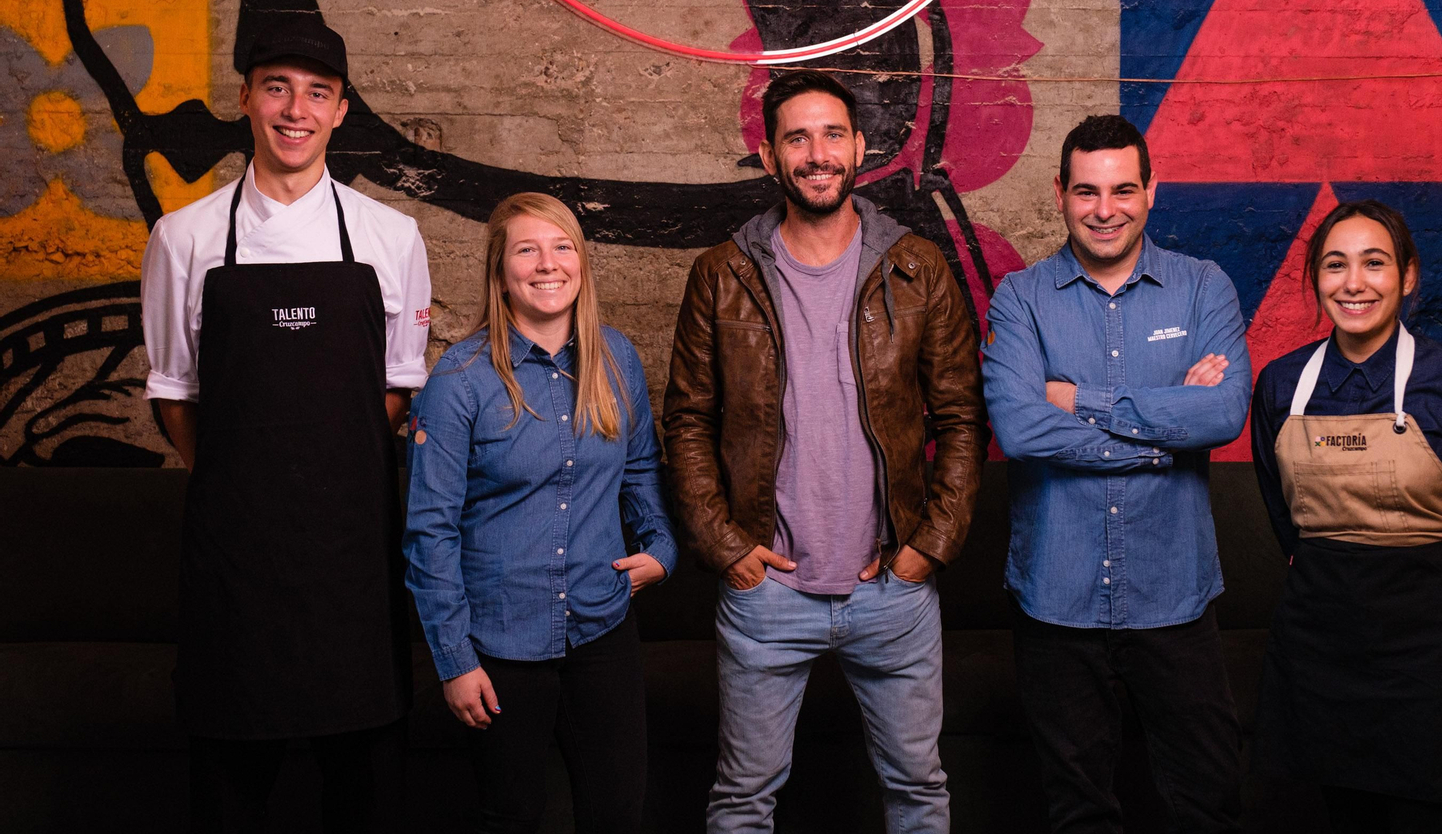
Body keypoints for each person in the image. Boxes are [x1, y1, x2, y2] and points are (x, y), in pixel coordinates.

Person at [664, 69, 986, 834]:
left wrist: (927, 549)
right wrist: (727, 548)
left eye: (833, 135)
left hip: (893, 591)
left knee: (919, 791)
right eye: (798, 138)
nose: (817, 154)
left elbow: (962, 419)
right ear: (769, 155)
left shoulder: (917, 267)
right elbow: (687, 422)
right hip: (767, 593)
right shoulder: (722, 273)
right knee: (742, 799)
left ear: (861, 148)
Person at [140, 17, 429, 831]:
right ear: (244, 99)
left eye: (317, 92)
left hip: (351, 558)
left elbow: (399, 385)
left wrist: (328, 470)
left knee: (363, 787)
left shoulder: (391, 236)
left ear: (340, 110)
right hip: (234, 561)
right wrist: (238, 479)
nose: (296, 110)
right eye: (277, 88)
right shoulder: (183, 237)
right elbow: (172, 390)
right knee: (228, 788)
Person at [982, 114, 1251, 833]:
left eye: (1123, 190)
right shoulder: (1020, 298)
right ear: (1060, 193)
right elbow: (1019, 428)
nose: (1106, 210)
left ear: (1151, 191)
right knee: (1078, 813)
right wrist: (1164, 440)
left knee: (1209, 804)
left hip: (1174, 596)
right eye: (1087, 192)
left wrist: (1081, 400)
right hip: (1056, 599)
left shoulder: (1204, 288)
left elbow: (1223, 412)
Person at [404, 192, 677, 833]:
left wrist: (660, 549)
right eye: (527, 249)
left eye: (562, 247)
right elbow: (429, 531)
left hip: (602, 630)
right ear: (501, 272)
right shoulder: (459, 380)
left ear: (581, 262)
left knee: (618, 814)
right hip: (500, 642)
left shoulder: (617, 358)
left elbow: (641, 468)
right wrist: (456, 661)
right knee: (512, 817)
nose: (547, 264)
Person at [1250, 199, 1442, 832]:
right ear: (1315, 278)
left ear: (1408, 276)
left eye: (1374, 263)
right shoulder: (1281, 385)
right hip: (1321, 646)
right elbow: (1282, 512)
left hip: (1433, 655)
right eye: (1334, 265)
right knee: (1338, 814)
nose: (1353, 283)